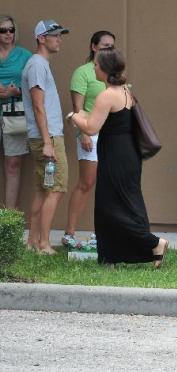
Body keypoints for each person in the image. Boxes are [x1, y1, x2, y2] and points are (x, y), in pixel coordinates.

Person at [67, 49, 168, 267]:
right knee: (128, 204)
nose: (93, 67)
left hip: (115, 156)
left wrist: (73, 116)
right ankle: (111, 256)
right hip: (128, 155)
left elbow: (92, 127)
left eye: (96, 65)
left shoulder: (107, 95)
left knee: (109, 207)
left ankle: (154, 242)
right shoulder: (124, 91)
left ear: (104, 69)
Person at [62, 30, 116, 249]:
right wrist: (84, 132)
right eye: (104, 45)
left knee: (106, 184)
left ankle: (99, 233)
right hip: (90, 134)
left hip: (110, 136)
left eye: (112, 46)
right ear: (93, 47)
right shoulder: (83, 72)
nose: (108, 49)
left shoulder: (113, 73)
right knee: (87, 183)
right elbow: (78, 108)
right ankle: (69, 233)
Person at [22, 20, 70, 254]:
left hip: (45, 135)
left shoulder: (39, 64)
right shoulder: (37, 65)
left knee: (43, 188)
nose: (58, 39)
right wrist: (48, 142)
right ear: (41, 38)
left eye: (60, 35)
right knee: (56, 188)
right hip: (47, 136)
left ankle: (32, 241)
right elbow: (38, 106)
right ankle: (43, 243)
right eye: (54, 35)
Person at [0, 15, 31, 210]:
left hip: (15, 112)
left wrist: (16, 91)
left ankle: (9, 218)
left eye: (11, 29)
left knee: (13, 164)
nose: (8, 34)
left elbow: (33, 84)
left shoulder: (24, 55)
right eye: (3, 30)